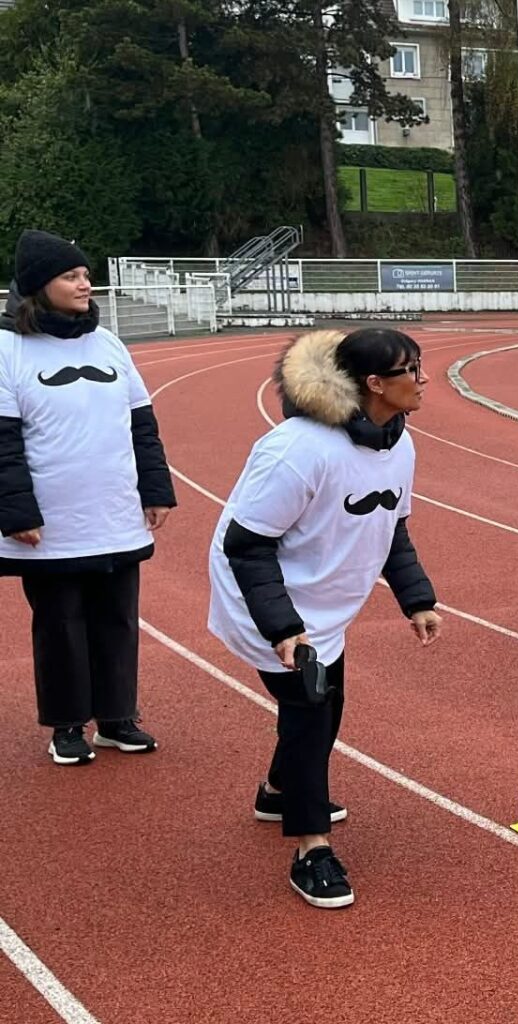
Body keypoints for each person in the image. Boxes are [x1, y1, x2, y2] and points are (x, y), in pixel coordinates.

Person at [207, 328, 442, 909]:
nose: (424, 378)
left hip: (324, 606)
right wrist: (283, 627)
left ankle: (277, 791)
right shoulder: (298, 450)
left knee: (325, 705)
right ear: (374, 384)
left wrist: (416, 598)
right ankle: (311, 847)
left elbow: (392, 524)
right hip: (265, 601)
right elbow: (246, 545)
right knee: (312, 716)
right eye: (412, 369)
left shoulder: (398, 443)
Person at [0, 229, 176, 765]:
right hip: (50, 522)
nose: (85, 283)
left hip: (113, 511)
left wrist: (155, 487)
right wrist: (15, 512)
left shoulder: (109, 343)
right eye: (71, 276)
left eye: (85, 274)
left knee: (118, 617)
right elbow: (2, 440)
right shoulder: (8, 348)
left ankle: (117, 717)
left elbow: (142, 423)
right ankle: (67, 725)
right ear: (38, 286)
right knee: (60, 623)